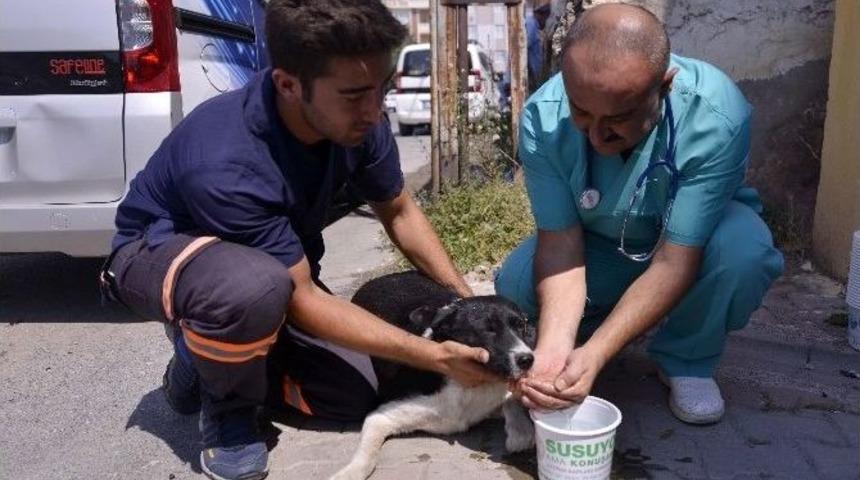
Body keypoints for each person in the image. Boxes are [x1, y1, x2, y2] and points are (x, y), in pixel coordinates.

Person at [99, 1, 496, 479]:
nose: (374, 112)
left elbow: (400, 211)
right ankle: (227, 407)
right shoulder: (227, 159)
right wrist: (436, 355)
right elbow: (301, 296)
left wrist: (467, 306)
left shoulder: (358, 118)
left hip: (275, 275)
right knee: (254, 288)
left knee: (352, 394)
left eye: (381, 90)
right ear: (288, 84)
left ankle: (211, 360)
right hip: (159, 255)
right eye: (354, 96)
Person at [495, 3, 784, 425]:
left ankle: (686, 358)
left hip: (692, 244)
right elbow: (560, 244)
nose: (595, 136)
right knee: (516, 284)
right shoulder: (543, 115)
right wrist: (556, 349)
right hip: (602, 242)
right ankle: (584, 346)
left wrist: (597, 353)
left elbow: (674, 260)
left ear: (664, 87)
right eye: (581, 112)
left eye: (618, 118)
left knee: (744, 253)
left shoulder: (717, 113)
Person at [527, 1, 551, 92]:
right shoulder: (531, 25)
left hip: (533, 76)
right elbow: (524, 49)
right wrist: (530, 75)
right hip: (531, 76)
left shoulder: (534, 26)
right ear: (542, 15)